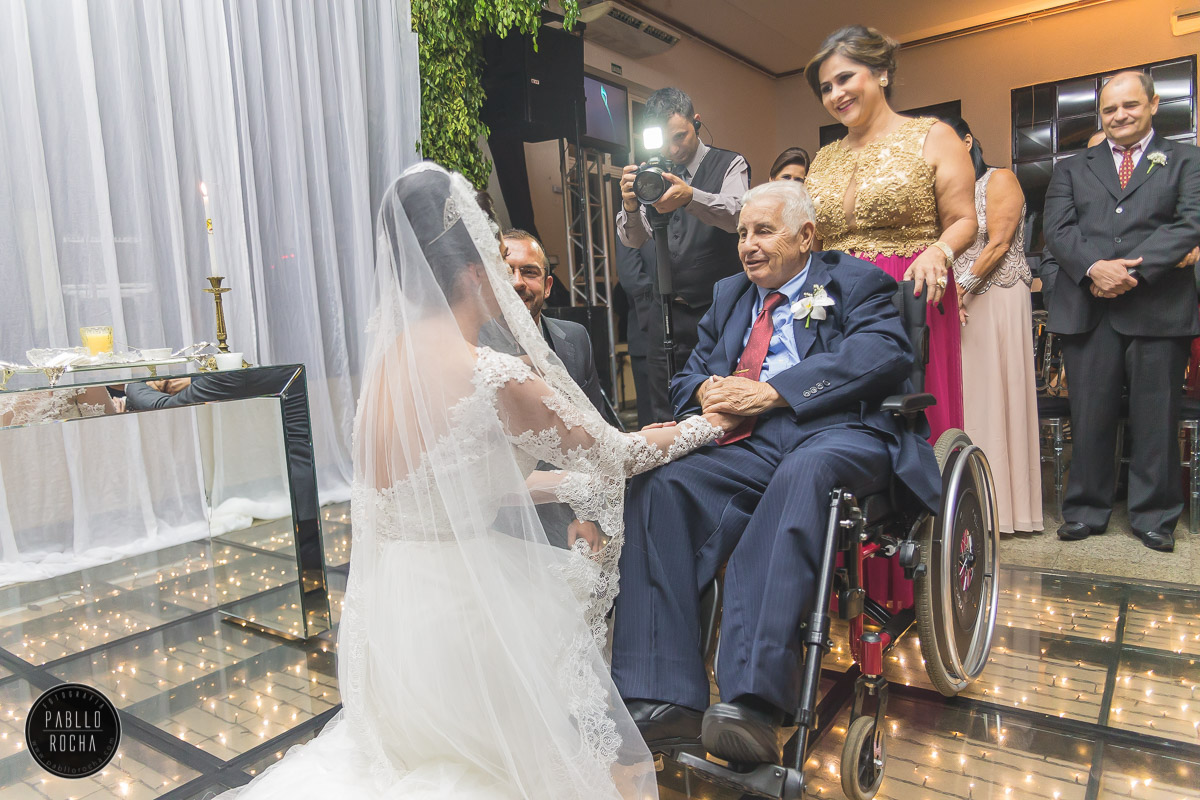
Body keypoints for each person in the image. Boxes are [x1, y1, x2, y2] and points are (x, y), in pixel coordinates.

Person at [220, 163, 736, 800]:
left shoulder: (387, 369)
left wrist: (556, 489)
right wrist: (708, 424)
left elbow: (438, 490)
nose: (506, 281)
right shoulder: (488, 372)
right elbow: (615, 453)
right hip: (466, 619)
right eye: (496, 263)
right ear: (470, 275)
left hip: (396, 615)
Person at [611, 181, 939, 766]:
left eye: (763, 231)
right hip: (747, 443)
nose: (747, 246)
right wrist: (710, 387)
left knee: (804, 473)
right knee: (657, 484)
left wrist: (775, 392)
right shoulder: (730, 295)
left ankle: (753, 700)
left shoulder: (852, 281)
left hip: (837, 433)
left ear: (806, 236)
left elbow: (883, 354)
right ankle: (662, 696)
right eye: (742, 233)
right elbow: (688, 378)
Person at [1044, 71, 1200, 552]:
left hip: (1158, 304)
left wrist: (1131, 272)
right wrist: (1094, 268)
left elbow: (1190, 223)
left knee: (1156, 416)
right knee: (1089, 414)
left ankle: (1154, 516)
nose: (1119, 116)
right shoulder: (1073, 166)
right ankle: (1086, 509)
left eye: (1130, 105)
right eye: (1109, 110)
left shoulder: (1186, 160)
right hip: (1089, 305)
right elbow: (1057, 228)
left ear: (1153, 104)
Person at [803, 25, 977, 440]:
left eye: (845, 78)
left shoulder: (934, 136)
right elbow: (816, 238)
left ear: (881, 72)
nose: (836, 94)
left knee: (911, 411)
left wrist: (939, 252)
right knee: (840, 410)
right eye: (826, 88)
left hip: (910, 288)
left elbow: (965, 220)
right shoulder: (824, 158)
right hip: (835, 295)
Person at [617, 87, 749, 421]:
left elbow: (739, 215)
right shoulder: (651, 174)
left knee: (720, 404)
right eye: (664, 141)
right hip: (667, 314)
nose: (672, 150)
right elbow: (633, 240)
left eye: (680, 137)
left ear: (697, 123)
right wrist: (630, 206)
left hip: (720, 312)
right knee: (664, 409)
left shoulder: (729, 163)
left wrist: (692, 196)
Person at [946, 117, 1042, 535]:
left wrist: (960, 291)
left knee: (997, 392)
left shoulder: (999, 179)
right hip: (958, 305)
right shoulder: (944, 197)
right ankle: (966, 500)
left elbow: (1000, 243)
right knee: (967, 395)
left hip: (996, 297)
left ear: (968, 141)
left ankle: (1005, 506)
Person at [503, 228, 606, 415]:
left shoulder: (576, 337)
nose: (517, 282)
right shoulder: (469, 347)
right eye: (506, 271)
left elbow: (599, 423)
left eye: (529, 272)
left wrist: (632, 440)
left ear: (548, 286)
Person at [616, 238, 658, 427]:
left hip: (691, 331)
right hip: (648, 331)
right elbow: (630, 275)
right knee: (652, 416)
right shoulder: (630, 218)